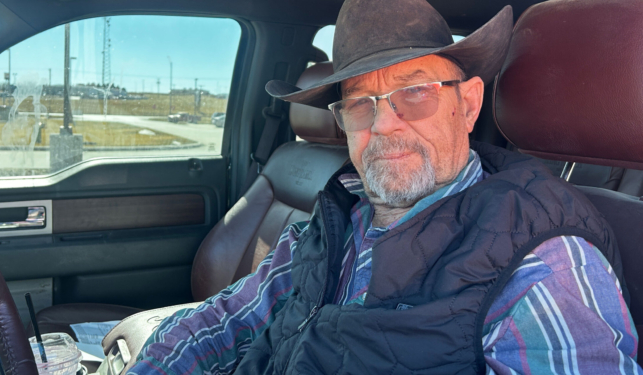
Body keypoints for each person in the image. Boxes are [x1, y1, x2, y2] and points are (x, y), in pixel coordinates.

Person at [129, 0, 640, 373]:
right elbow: (227, 319)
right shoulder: (334, 218)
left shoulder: (542, 263)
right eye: (359, 103)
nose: (385, 124)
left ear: (467, 105)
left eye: (414, 91)